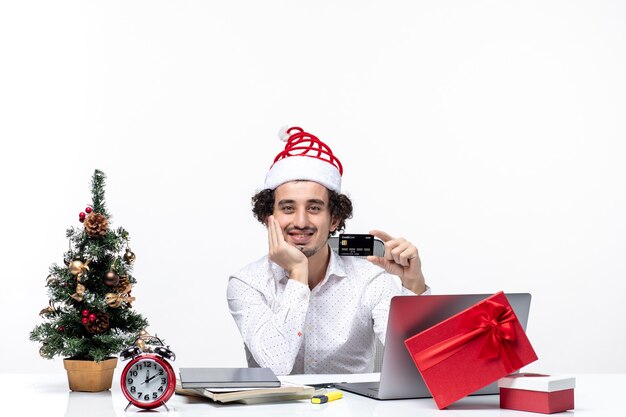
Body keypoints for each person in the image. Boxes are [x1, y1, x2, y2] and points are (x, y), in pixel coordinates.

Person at [227, 126, 430, 375]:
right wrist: (297, 273)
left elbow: (418, 365)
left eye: (314, 208)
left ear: (334, 219)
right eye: (288, 208)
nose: (301, 221)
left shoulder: (371, 278)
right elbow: (276, 366)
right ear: (269, 218)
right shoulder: (248, 283)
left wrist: (413, 284)